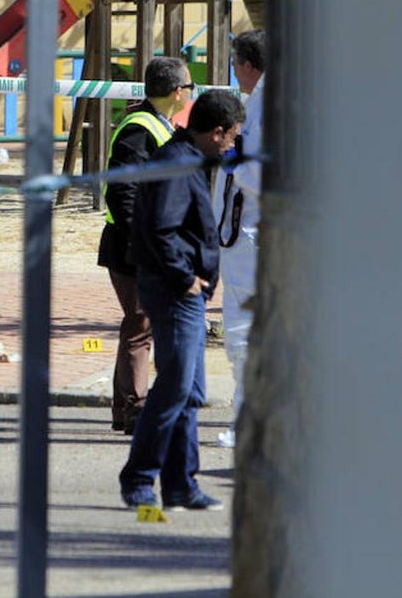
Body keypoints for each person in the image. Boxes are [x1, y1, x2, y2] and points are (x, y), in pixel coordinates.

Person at [119, 88, 245, 511]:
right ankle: (139, 478)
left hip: (181, 289)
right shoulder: (176, 164)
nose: (231, 146)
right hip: (174, 292)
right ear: (216, 132)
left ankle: (180, 484)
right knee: (174, 389)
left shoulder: (183, 158)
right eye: (231, 138)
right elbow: (159, 227)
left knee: (189, 391)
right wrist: (185, 276)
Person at [98, 57, 192, 435]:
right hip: (131, 245)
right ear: (176, 92)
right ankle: (136, 410)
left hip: (135, 243)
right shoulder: (140, 129)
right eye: (189, 87)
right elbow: (122, 194)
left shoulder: (159, 125)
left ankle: (126, 409)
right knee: (141, 324)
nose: (191, 93)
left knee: (138, 324)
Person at [213, 29, 267, 448]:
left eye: (235, 62)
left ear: (249, 66)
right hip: (242, 238)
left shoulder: (266, 105)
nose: (234, 70)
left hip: (250, 240)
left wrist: (234, 162)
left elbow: (266, 175)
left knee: (244, 336)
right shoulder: (261, 102)